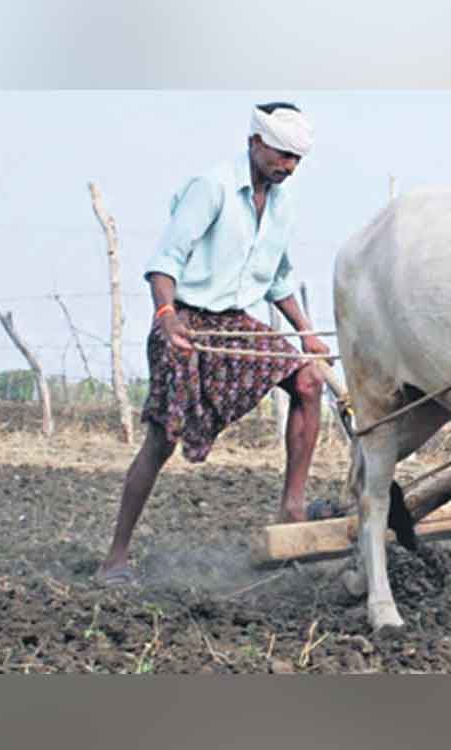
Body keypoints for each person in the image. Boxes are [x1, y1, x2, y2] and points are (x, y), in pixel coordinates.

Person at [96, 102, 332, 585]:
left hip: (236, 323)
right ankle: (115, 557)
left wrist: (305, 332)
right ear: (254, 143)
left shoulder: (284, 205)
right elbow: (165, 263)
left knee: (309, 380)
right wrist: (167, 318)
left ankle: (293, 507)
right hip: (185, 320)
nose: (288, 166)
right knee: (161, 440)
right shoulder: (213, 188)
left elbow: (278, 280)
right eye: (281, 154)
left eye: (296, 159)